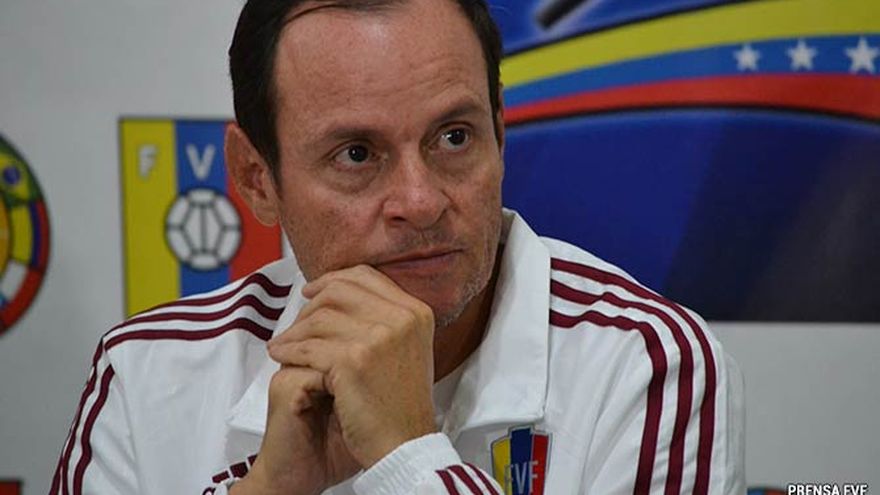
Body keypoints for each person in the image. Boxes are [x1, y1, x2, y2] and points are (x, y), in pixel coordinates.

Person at [51, 0, 745, 493]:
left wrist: (409, 454)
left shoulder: (647, 365)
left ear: (500, 131)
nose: (420, 200)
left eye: (454, 137)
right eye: (357, 153)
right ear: (257, 178)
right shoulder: (148, 375)